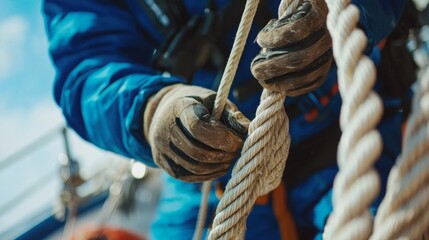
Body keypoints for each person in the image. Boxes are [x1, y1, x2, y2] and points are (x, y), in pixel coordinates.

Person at [43, 0, 407, 239]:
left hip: (342, 129)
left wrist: (342, 14)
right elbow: (86, 66)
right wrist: (151, 110)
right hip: (202, 174)